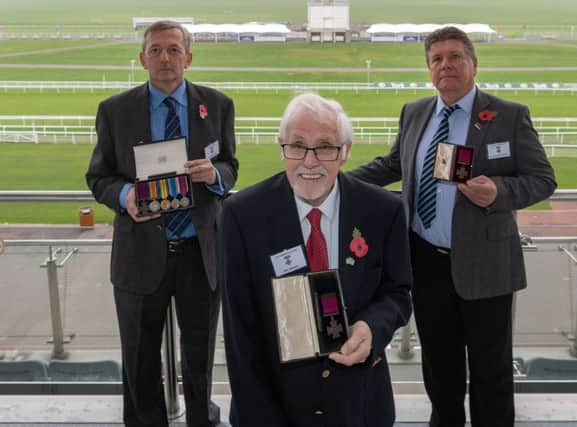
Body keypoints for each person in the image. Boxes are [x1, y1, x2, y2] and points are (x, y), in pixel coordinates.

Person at [349, 26, 556, 427]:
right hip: (425, 262)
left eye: (455, 57)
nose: (446, 65)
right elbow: (393, 165)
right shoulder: (415, 112)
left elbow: (542, 179)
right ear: (429, 69)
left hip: (486, 266)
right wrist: (337, 180)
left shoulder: (507, 116)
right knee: (440, 369)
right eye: (437, 59)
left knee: (490, 372)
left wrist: (497, 191)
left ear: (473, 64)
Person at [219, 93, 412, 427]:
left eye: (324, 146)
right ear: (282, 147)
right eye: (297, 146)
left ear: (346, 151)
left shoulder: (384, 211)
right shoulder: (240, 216)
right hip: (273, 408)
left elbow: (397, 293)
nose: (309, 161)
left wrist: (370, 327)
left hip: (361, 406)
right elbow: (240, 335)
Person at [86, 20, 237, 427]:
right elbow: (98, 177)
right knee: (139, 356)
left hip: (199, 253)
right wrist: (125, 197)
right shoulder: (115, 111)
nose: (165, 58)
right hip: (140, 253)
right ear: (142, 59)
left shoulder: (218, 105)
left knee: (200, 355)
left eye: (173, 50)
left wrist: (215, 175)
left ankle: (200, 420)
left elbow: (231, 166)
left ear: (189, 57)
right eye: (155, 50)